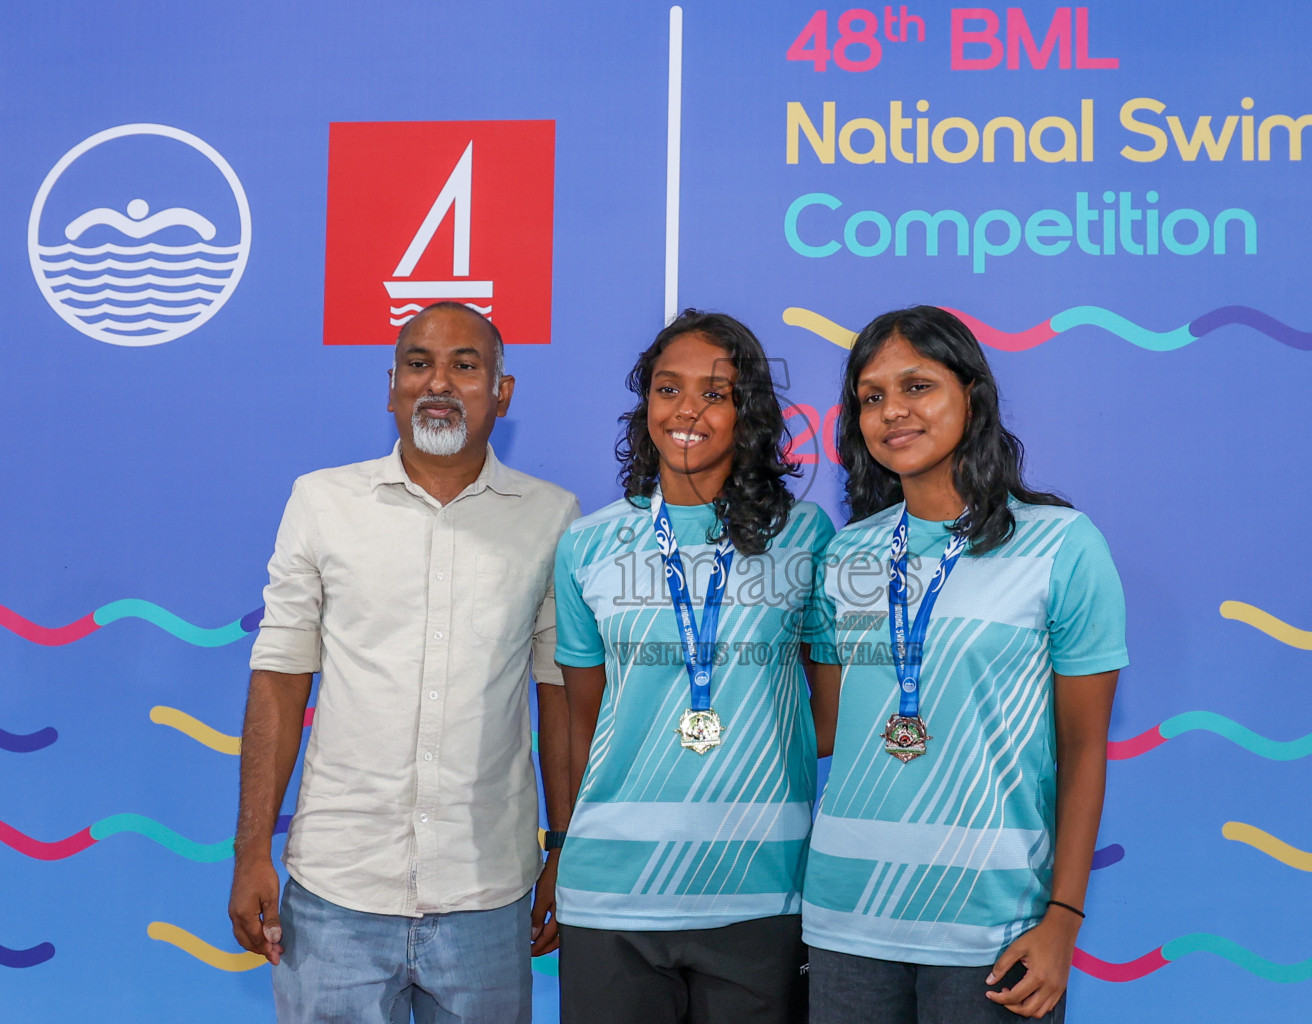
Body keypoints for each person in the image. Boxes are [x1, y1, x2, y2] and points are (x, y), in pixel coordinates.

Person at [229, 301, 578, 1023]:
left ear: (502, 392)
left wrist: (563, 850)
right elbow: (279, 681)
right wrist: (251, 850)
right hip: (335, 893)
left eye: (465, 365)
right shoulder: (321, 503)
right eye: (419, 363)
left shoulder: (552, 517)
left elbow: (558, 697)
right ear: (391, 386)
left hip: (488, 897)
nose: (438, 382)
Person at [801, 305, 1127, 1023]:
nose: (893, 412)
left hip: (992, 927)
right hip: (844, 920)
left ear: (971, 396)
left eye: (918, 387)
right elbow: (824, 729)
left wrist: (1063, 919)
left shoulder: (1062, 546)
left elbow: (1083, 751)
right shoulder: (845, 554)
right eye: (872, 396)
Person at [554, 310, 840, 1024]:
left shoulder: (805, 535)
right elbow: (579, 725)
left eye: (715, 393)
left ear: (749, 413)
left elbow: (827, 719)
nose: (686, 410)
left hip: (761, 886)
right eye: (666, 389)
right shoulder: (588, 545)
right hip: (611, 895)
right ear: (645, 403)